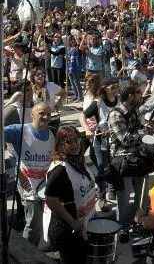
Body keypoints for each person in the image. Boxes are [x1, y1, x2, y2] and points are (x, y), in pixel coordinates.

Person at [3, 104, 55, 247]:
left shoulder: (51, 133)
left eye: (49, 114)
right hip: (28, 185)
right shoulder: (19, 130)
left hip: (45, 186)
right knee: (34, 223)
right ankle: (27, 254)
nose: (46, 117)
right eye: (41, 113)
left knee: (45, 218)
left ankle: (41, 246)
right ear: (32, 115)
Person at [108, 81, 152, 242]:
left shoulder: (135, 110)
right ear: (130, 96)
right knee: (124, 199)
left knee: (142, 196)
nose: (141, 95)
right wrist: (146, 131)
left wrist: (153, 127)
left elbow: (143, 124)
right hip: (123, 160)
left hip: (138, 157)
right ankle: (122, 227)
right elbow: (125, 139)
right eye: (138, 93)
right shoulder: (115, 114)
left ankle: (139, 222)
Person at [44, 126, 96, 263]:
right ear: (60, 145)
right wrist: (73, 222)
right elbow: (50, 199)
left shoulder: (77, 161)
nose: (74, 144)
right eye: (68, 142)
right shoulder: (60, 170)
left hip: (81, 227)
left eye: (76, 140)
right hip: (67, 231)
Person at [79, 77, 119, 210]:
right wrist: (86, 130)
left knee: (115, 165)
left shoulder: (120, 101)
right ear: (105, 88)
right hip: (101, 140)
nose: (115, 88)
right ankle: (102, 198)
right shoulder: (98, 103)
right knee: (102, 167)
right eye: (112, 86)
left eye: (116, 85)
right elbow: (82, 116)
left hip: (116, 140)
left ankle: (112, 190)